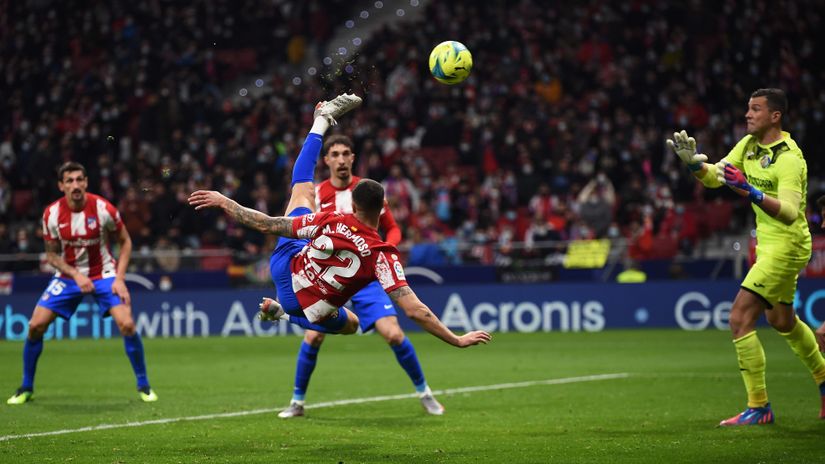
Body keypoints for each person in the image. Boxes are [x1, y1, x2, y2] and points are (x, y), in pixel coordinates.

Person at [188, 92, 490, 387]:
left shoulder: (332, 218)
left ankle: (320, 122)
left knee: (302, 190)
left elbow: (267, 225)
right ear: (382, 207)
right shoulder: (382, 256)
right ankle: (283, 313)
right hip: (310, 303)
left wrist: (225, 201)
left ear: (353, 206)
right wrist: (456, 339)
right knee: (352, 325)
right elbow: (415, 310)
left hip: (286, 267)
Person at [667, 88, 825, 426]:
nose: (747, 115)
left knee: (739, 317)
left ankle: (759, 406)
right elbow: (716, 177)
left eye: (755, 109)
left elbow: (790, 212)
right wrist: (694, 165)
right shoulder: (749, 145)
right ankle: (824, 379)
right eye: (748, 109)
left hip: (788, 245)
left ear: (775, 116)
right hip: (768, 246)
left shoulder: (789, 158)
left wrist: (750, 190)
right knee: (782, 321)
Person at [262, 134, 445, 419]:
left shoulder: (368, 192)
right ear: (327, 160)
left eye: (346, 153)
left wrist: (386, 251)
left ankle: (425, 393)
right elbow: (303, 228)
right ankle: (297, 401)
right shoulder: (317, 193)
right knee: (313, 336)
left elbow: (392, 228)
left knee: (394, 334)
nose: (341, 159)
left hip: (365, 276)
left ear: (352, 158)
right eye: (335, 154)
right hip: (327, 277)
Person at [7, 162, 157, 405]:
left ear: (86, 182)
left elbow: (125, 242)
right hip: (68, 276)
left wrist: (119, 278)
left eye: (79, 179)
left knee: (127, 324)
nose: (75, 185)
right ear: (61, 186)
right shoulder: (51, 214)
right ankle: (26, 387)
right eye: (69, 181)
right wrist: (76, 275)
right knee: (35, 326)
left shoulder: (103, 209)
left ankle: (144, 385)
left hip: (104, 274)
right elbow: (52, 255)